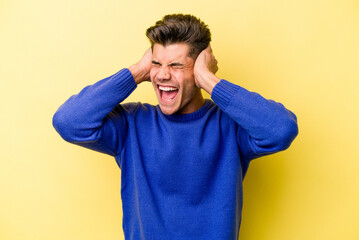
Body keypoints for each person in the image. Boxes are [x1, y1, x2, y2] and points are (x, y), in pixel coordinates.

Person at [53, 14, 298, 240]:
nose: (162, 75)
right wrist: (137, 72)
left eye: (176, 65)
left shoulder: (230, 126)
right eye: (156, 64)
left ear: (199, 69)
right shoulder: (131, 124)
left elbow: (282, 130)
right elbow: (68, 122)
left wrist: (211, 81)